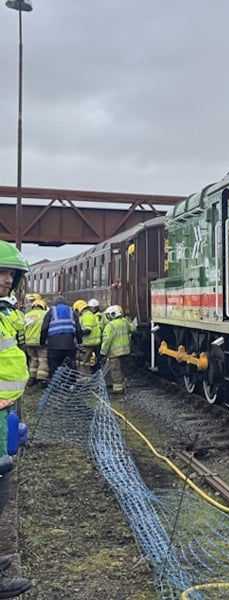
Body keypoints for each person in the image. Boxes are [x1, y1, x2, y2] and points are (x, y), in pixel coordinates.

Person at [0, 240, 33, 598]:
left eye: (10, 273)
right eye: (0, 273)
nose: (6, 280)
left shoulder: (4, 313)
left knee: (2, 485)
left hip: (4, 411)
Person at [40, 295, 80, 378]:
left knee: (53, 367)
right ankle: (70, 386)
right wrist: (80, 341)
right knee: (70, 367)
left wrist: (42, 342)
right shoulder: (71, 312)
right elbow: (78, 328)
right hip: (69, 345)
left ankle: (55, 386)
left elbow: (44, 328)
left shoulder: (51, 311)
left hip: (53, 345)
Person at [100, 305, 135, 394]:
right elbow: (132, 328)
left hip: (114, 353)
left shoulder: (110, 326)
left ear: (113, 314)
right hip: (126, 351)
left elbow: (107, 341)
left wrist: (103, 353)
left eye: (108, 315)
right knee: (124, 369)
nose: (107, 317)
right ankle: (125, 385)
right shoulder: (124, 322)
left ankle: (118, 389)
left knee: (116, 371)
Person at [21, 297, 48, 387]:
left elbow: (22, 329)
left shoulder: (27, 315)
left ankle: (32, 377)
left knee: (33, 359)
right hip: (40, 342)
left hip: (29, 342)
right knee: (43, 360)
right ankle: (41, 379)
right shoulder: (45, 314)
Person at [74, 299, 102, 374]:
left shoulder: (86, 316)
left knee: (83, 362)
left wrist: (77, 333)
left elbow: (87, 330)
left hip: (88, 343)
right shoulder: (87, 315)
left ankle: (84, 380)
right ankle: (84, 378)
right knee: (84, 362)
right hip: (89, 343)